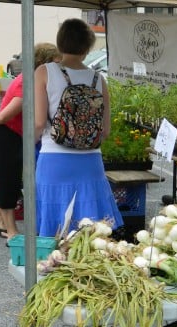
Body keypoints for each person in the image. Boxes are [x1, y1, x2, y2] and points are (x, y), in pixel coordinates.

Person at [34, 18, 123, 237]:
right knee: (91, 233)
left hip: (54, 160)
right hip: (90, 162)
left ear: (60, 42)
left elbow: (37, 123)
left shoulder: (45, 72)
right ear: (87, 46)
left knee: (53, 231)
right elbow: (105, 131)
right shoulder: (98, 79)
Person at [0, 43, 61, 240]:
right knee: (8, 181)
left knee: (8, 179)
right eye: (56, 62)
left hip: (12, 133)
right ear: (44, 62)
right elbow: (7, 114)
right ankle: (11, 232)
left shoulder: (33, 79)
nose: (59, 66)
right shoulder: (28, 82)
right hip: (6, 134)